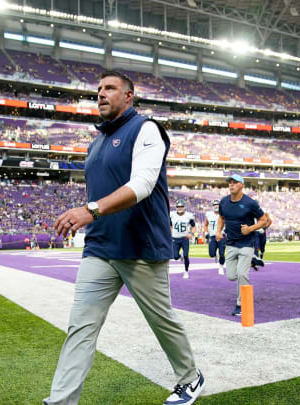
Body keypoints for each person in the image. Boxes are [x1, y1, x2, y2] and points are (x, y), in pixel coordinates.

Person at [44, 71, 203, 405]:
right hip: (100, 247)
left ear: (129, 96)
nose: (101, 94)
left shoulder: (146, 129)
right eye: (99, 89)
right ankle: (61, 402)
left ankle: (190, 378)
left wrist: (90, 210)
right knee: (81, 328)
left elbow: (143, 184)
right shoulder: (96, 142)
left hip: (140, 245)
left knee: (161, 320)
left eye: (110, 88)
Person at [217, 174, 267, 316]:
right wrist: (218, 231)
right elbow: (221, 217)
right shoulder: (224, 202)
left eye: (234, 182)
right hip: (231, 244)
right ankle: (252, 260)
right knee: (231, 276)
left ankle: (240, 304)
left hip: (246, 243)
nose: (231, 185)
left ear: (242, 185)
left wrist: (250, 229)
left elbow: (263, 220)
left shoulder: (250, 203)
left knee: (242, 275)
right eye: (230, 183)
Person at [170, 199, 196, 279]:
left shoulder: (188, 215)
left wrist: (191, 233)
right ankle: (180, 256)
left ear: (184, 207)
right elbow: (170, 225)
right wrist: (171, 233)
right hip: (175, 238)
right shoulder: (172, 215)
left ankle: (186, 271)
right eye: (178, 206)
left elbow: (194, 226)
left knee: (186, 255)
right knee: (175, 256)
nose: (180, 208)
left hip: (184, 238)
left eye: (181, 206)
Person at [205, 200, 225, 275]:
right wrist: (206, 232)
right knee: (211, 254)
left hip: (221, 235)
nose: (216, 206)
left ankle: (221, 267)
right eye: (215, 205)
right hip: (212, 236)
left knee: (222, 253)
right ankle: (215, 254)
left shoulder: (223, 214)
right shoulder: (209, 214)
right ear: (213, 206)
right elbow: (205, 224)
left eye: (217, 205)